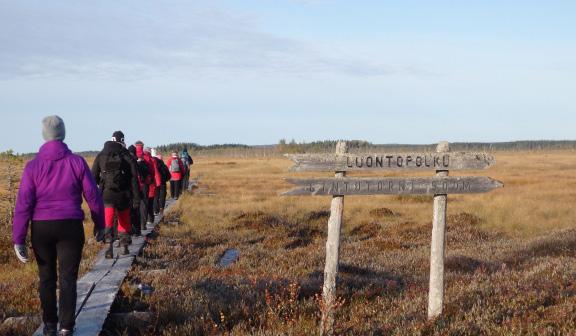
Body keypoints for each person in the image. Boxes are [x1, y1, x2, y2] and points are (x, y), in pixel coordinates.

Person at [12, 116, 105, 336]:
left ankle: (50, 326)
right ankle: (66, 327)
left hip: (42, 228)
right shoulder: (77, 162)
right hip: (70, 227)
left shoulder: (33, 166)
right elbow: (93, 196)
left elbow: (23, 204)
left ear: (44, 135)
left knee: (46, 278)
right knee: (67, 278)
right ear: (63, 134)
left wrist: (19, 239)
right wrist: (100, 224)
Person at [92, 131, 140, 258]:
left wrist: (101, 187)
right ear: (123, 140)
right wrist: (136, 198)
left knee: (108, 220)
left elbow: (93, 177)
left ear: (112, 139)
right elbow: (134, 178)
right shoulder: (127, 155)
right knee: (123, 219)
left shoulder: (101, 155)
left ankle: (108, 245)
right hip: (123, 194)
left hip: (107, 194)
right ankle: (124, 246)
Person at [134, 142, 161, 227]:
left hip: (136, 184)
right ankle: (148, 221)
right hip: (148, 184)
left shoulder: (133, 156)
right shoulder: (151, 159)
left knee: (139, 204)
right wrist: (158, 183)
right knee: (148, 203)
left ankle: (138, 225)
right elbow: (155, 172)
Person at [151, 149, 170, 215]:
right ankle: (161, 209)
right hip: (163, 183)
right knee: (162, 196)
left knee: (156, 196)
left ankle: (155, 210)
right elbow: (168, 175)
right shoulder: (163, 165)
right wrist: (165, 179)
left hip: (155, 183)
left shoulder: (152, 164)